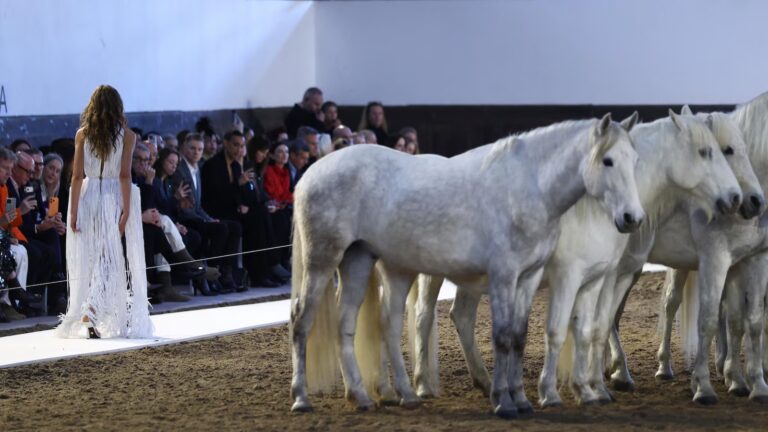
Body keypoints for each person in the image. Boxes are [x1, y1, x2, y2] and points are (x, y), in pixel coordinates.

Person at [55, 85, 153, 339]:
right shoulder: (128, 136)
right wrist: (126, 209)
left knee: (93, 258)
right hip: (113, 197)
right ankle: (92, 311)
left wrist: (73, 211)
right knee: (109, 258)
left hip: (88, 196)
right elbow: (124, 175)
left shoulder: (82, 135)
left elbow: (76, 176)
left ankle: (91, 310)